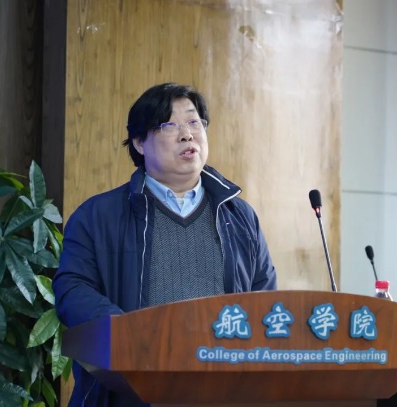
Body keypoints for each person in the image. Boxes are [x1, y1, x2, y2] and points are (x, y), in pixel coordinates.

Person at [52, 83, 278, 406]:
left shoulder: (240, 217)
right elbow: (72, 289)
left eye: (194, 122)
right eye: (169, 125)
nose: (187, 134)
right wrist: (133, 335)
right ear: (139, 143)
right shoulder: (96, 216)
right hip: (128, 394)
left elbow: (264, 301)